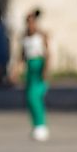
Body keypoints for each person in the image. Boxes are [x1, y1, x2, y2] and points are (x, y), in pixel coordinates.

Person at [13, 9, 50, 141]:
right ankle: (36, 125)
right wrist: (16, 70)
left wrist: (45, 70)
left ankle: (41, 125)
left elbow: (47, 54)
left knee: (35, 97)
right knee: (29, 98)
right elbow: (21, 55)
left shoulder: (42, 35)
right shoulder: (24, 36)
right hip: (30, 67)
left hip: (39, 65)